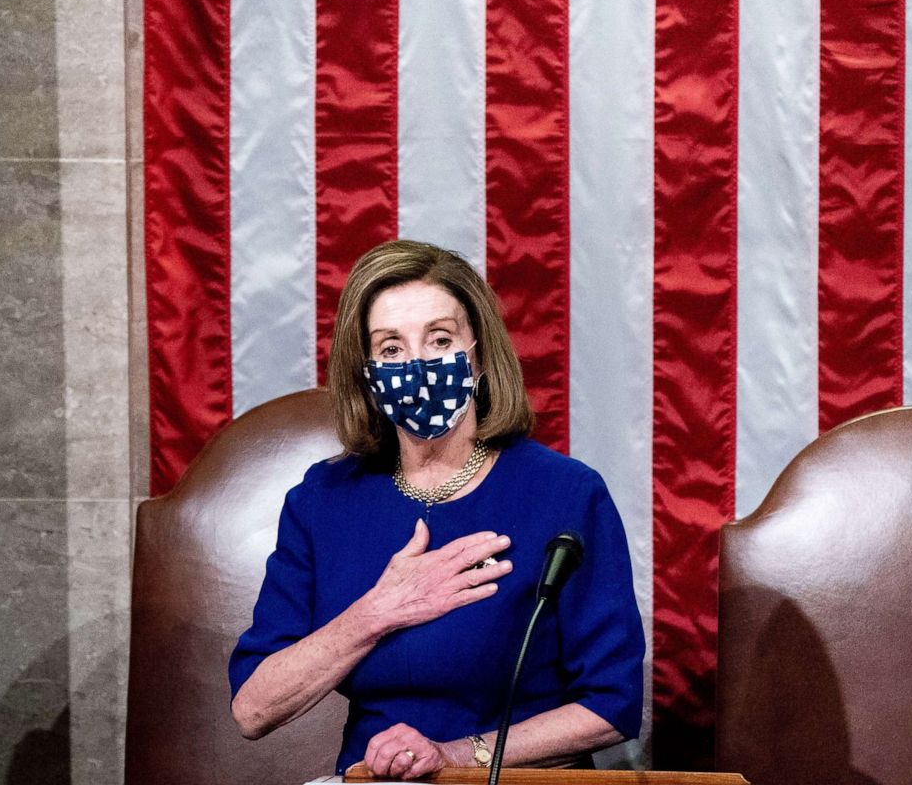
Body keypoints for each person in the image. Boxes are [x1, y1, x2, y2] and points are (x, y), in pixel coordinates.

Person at [229, 240, 645, 779]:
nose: (419, 363)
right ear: (367, 373)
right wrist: (379, 611)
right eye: (392, 348)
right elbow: (253, 709)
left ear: (479, 354)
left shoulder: (565, 494)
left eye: (440, 339)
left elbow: (611, 706)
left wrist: (454, 757)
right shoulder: (322, 500)